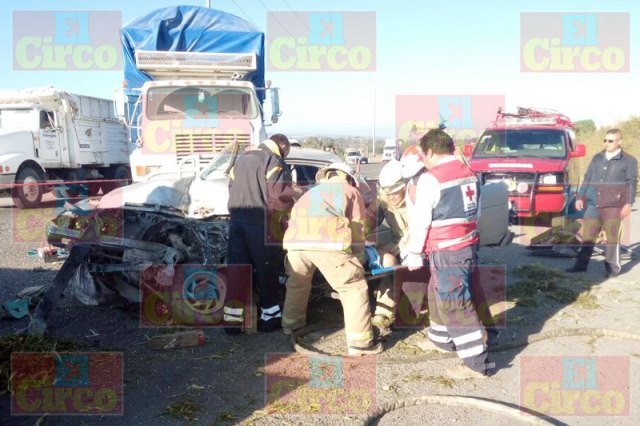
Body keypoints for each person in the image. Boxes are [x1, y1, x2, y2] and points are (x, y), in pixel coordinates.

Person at [405, 129, 490, 379]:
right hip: (465, 245)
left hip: (447, 250)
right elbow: (477, 212)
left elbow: (421, 221)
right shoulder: (470, 173)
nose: (423, 160)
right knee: (436, 292)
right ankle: (441, 340)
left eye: (423, 154)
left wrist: (414, 252)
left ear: (431, 151)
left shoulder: (431, 179)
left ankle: (476, 364)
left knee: (455, 303)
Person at [281, 163, 383, 356]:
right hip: (329, 244)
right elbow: (357, 229)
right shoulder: (350, 191)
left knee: (298, 284)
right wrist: (358, 258)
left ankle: (291, 325)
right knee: (353, 287)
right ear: (349, 178)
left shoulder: (310, 193)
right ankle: (360, 343)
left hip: (296, 245)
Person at [224, 134, 294, 333]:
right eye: (286, 151)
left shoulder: (242, 158)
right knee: (267, 272)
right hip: (263, 225)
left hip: (237, 222)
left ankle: (232, 323)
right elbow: (279, 197)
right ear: (282, 145)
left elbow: (231, 188)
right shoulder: (273, 160)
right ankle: (269, 319)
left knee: (238, 272)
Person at [566, 128, 638, 277]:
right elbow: (587, 177)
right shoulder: (597, 158)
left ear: (619, 142)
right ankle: (580, 265)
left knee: (612, 239)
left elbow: (631, 182)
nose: (606, 143)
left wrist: (628, 203)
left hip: (614, 205)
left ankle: (612, 270)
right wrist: (580, 196)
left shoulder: (629, 160)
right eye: (605, 140)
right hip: (594, 204)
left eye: (610, 141)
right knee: (587, 237)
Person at [369, 160, 410, 329]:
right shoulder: (383, 199)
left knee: (399, 267)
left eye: (395, 193)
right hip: (398, 241)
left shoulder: (417, 196)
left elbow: (422, 229)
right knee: (385, 261)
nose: (391, 197)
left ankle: (387, 312)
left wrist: (402, 247)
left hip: (420, 243)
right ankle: (382, 311)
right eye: (388, 193)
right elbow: (370, 219)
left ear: (405, 186)